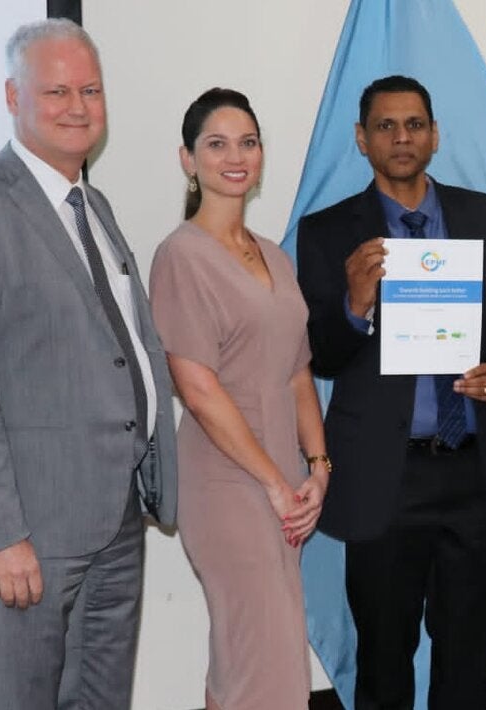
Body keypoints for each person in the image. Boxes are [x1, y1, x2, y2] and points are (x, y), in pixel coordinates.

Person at [0, 18, 177, 709]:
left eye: (90, 89)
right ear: (11, 95)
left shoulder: (93, 204)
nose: (79, 106)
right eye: (56, 90)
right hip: (26, 534)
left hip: (116, 522)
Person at [296, 75, 486, 710]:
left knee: (470, 663)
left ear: (435, 136)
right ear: (361, 139)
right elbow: (318, 355)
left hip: (476, 476)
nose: (402, 138)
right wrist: (353, 304)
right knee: (383, 666)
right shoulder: (327, 232)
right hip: (385, 477)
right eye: (385, 126)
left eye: (414, 125)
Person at [148, 88, 326, 710]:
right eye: (216, 144)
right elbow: (197, 389)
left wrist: (318, 469)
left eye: (247, 142)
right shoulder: (180, 255)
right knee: (263, 662)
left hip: (285, 481)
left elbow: (298, 372)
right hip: (227, 485)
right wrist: (276, 482)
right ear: (187, 160)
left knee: (252, 658)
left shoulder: (274, 254)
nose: (235, 156)